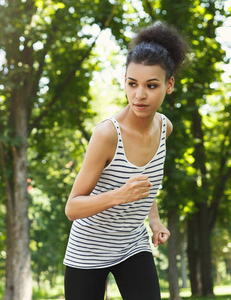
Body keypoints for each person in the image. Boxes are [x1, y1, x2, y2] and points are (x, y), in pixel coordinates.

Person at [63, 21, 188, 300]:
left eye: (151, 85)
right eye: (132, 84)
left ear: (169, 85)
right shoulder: (108, 134)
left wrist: (154, 220)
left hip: (132, 244)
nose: (139, 94)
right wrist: (120, 195)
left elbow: (145, 182)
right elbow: (72, 207)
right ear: (125, 81)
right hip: (89, 248)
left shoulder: (164, 128)